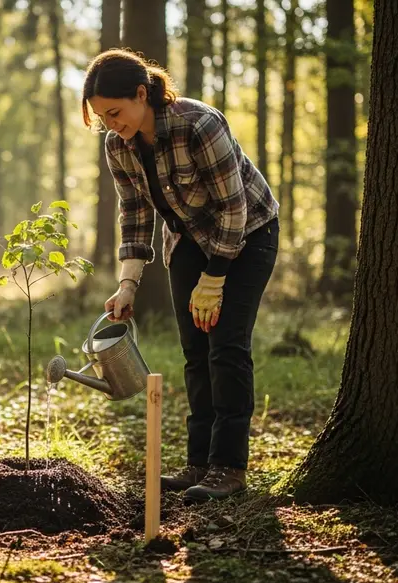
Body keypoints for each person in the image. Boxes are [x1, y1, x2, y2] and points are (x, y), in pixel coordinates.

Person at [82, 49, 279, 501]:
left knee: (225, 346)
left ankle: (229, 467)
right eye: (101, 117)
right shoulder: (119, 146)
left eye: (115, 112)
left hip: (248, 233)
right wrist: (127, 283)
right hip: (187, 238)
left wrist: (216, 278)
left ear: (141, 93)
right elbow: (134, 213)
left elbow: (234, 206)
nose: (111, 124)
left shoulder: (198, 124)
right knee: (195, 350)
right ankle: (198, 463)